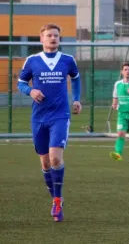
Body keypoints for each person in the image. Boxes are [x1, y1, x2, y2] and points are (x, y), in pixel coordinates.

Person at [18, 23, 82, 222]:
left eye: (56, 35)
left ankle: (56, 199)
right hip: (39, 118)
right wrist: (31, 91)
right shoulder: (32, 61)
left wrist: (77, 99)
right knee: (45, 164)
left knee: (55, 159)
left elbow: (76, 78)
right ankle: (56, 197)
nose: (53, 38)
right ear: (41, 39)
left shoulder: (68, 60)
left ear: (59, 39)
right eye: (49, 35)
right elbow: (21, 83)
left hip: (60, 116)